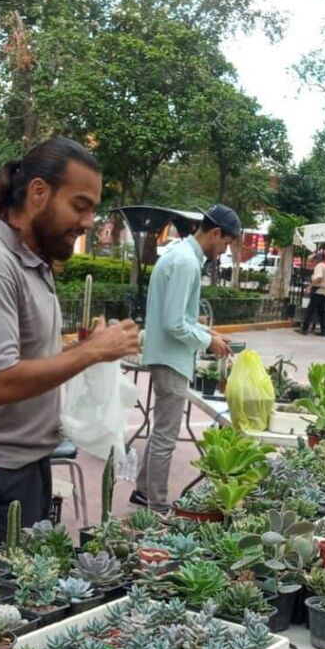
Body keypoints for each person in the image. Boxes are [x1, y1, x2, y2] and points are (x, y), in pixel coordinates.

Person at [0, 138, 141, 554]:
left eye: (93, 209)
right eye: (80, 205)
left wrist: (88, 350)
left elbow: (30, 362)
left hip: (23, 468)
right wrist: (92, 352)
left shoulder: (30, 260)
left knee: (22, 603)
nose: (88, 221)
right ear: (38, 193)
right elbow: (0, 382)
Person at [130, 205, 238, 511]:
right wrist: (208, 341)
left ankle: (143, 490)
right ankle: (158, 505)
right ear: (216, 233)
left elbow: (179, 317)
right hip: (170, 358)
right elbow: (174, 323)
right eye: (226, 243)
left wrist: (209, 333)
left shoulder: (182, 257)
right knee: (166, 435)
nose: (224, 250)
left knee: (160, 429)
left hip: (167, 355)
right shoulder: (187, 262)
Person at [299, 251, 325, 336]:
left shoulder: (319, 266)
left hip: (318, 291)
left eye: (311, 261)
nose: (310, 263)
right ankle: (323, 330)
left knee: (310, 310)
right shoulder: (324, 266)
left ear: (316, 260)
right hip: (324, 292)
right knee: (321, 312)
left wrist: (310, 286)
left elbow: (319, 278)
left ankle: (304, 328)